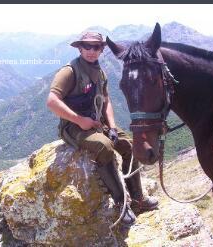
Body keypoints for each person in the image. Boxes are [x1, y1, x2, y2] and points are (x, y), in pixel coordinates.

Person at [46, 31, 158, 225]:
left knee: (129, 145)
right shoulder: (70, 71)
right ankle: (121, 203)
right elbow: (52, 101)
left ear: (101, 50)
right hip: (74, 127)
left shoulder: (100, 72)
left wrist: (113, 127)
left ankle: (138, 199)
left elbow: (106, 101)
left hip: (98, 122)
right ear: (79, 48)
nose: (91, 51)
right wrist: (80, 120)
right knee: (104, 147)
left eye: (96, 47)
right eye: (87, 47)